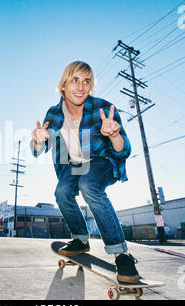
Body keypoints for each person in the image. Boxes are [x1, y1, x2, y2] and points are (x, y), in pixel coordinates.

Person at [30, 61, 140, 283]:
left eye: (86, 81)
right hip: (75, 166)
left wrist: (114, 136)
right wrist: (37, 141)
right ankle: (80, 239)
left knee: (89, 186)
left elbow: (124, 150)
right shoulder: (53, 114)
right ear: (63, 85)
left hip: (103, 161)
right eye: (74, 80)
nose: (81, 87)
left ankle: (122, 254)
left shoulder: (103, 109)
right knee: (61, 192)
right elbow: (39, 150)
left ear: (91, 86)